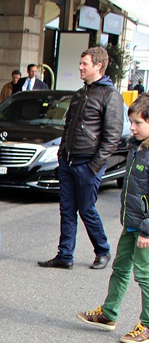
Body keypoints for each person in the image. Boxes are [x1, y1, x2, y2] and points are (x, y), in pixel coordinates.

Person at [38, 46, 125, 270]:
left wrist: (95, 165)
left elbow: (112, 136)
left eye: (84, 63)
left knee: (87, 209)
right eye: (80, 63)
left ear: (98, 66)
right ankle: (65, 256)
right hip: (68, 160)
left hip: (88, 163)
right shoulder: (80, 93)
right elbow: (68, 126)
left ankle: (103, 250)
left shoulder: (110, 95)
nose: (80, 67)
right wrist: (61, 155)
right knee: (66, 210)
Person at [75, 94, 149, 343]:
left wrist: (146, 230)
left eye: (138, 123)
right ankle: (109, 314)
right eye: (132, 122)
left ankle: (148, 325)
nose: (133, 127)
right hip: (132, 223)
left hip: (145, 229)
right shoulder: (135, 147)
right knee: (120, 268)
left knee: (144, 275)